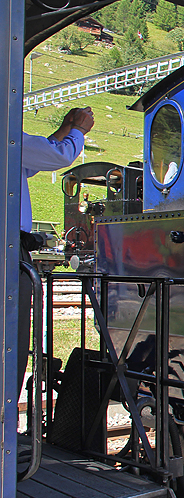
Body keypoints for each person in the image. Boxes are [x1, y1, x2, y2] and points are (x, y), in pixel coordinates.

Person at [19, 107, 94, 386]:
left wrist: (65, 126)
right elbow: (58, 155)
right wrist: (79, 131)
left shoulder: (15, 148)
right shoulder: (7, 137)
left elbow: (35, 158)